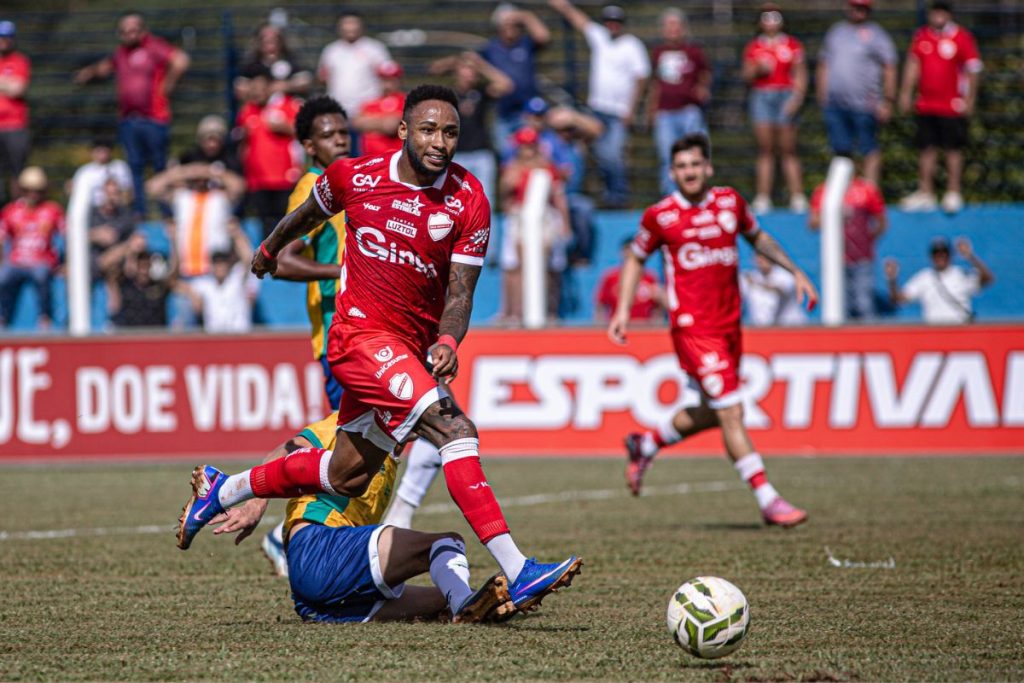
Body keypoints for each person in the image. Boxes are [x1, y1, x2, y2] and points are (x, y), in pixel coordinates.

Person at [177, 85, 582, 614]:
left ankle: (223, 490)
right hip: (358, 339)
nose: (441, 141)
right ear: (404, 132)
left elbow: (459, 295)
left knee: (348, 474)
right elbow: (304, 216)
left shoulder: (469, 199)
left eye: (451, 132)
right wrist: (270, 249)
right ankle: (518, 567)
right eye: (430, 130)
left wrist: (446, 338)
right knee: (453, 428)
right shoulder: (356, 177)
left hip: (408, 351)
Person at [608, 133, 817, 527]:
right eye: (681, 166)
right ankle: (768, 499)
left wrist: (795, 271)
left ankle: (646, 443)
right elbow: (636, 259)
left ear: (708, 168)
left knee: (715, 412)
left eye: (694, 164)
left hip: (729, 326)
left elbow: (759, 238)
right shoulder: (660, 216)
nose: (688, 172)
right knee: (733, 411)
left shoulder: (730, 203)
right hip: (693, 329)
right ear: (672, 173)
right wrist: (622, 310)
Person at [203, 412, 514, 623]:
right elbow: (286, 450)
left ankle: (466, 605)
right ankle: (465, 605)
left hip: (317, 599)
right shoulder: (350, 423)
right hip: (318, 547)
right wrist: (255, 502)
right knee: (447, 543)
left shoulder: (388, 454)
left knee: (444, 601)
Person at [256, 94, 352, 576]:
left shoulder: (352, 184)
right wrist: (347, 271)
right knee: (361, 445)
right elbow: (282, 260)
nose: (341, 139)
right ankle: (282, 531)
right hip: (340, 339)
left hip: (370, 334)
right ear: (309, 146)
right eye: (330, 134)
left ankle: (302, 533)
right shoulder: (311, 188)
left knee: (388, 442)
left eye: (344, 131)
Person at [74, 12, 190, 216]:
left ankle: (165, 214)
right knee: (134, 169)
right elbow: (105, 67)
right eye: (125, 30)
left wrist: (167, 86)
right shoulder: (120, 53)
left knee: (159, 166)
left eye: (134, 29)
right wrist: (88, 73)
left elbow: (181, 60)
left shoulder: (154, 46)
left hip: (154, 118)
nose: (129, 34)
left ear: (142, 30)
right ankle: (139, 214)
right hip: (129, 120)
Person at [548, 1, 650, 208]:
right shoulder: (600, 37)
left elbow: (641, 78)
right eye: (609, 21)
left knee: (612, 157)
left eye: (616, 21)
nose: (612, 25)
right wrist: (562, 6)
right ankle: (590, 197)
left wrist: (632, 109)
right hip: (596, 111)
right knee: (583, 153)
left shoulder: (632, 45)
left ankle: (617, 199)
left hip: (618, 113)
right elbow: (580, 20)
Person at [898, 0, 982, 214]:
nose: (938, 15)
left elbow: (973, 69)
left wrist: (970, 99)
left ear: (949, 14)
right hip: (926, 104)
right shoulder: (922, 36)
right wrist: (906, 93)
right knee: (926, 148)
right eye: (935, 11)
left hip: (952, 105)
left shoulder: (962, 37)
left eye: (942, 11)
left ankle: (953, 192)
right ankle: (926, 192)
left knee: (953, 149)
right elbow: (913, 65)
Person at [816, 0, 897, 186]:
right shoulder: (836, 32)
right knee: (841, 151)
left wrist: (888, 99)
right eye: (855, 7)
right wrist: (822, 94)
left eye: (862, 8)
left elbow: (889, 67)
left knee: (868, 149)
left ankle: (869, 194)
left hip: (865, 104)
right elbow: (824, 64)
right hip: (835, 104)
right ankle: (845, 194)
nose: (858, 12)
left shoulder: (877, 34)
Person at [497, 126, 572, 324]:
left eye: (530, 146)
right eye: (524, 146)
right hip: (519, 217)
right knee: (513, 267)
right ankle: (514, 312)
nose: (527, 151)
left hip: (544, 218)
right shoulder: (512, 168)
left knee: (548, 266)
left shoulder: (547, 168)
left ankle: (549, 311)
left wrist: (565, 223)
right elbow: (505, 197)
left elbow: (558, 197)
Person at [742, 4, 808, 214]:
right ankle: (763, 197)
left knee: (789, 148)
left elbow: (801, 74)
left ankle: (797, 196)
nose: (770, 21)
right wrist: (757, 69)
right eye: (766, 17)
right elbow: (746, 75)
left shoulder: (792, 45)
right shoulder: (754, 47)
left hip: (785, 95)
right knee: (765, 149)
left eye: (775, 16)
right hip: (762, 95)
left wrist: (797, 98)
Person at [429, 51, 514, 211]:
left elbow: (506, 85)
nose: (469, 74)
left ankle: (489, 237)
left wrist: (481, 65)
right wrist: (457, 60)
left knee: (483, 201)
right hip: (456, 154)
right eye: (465, 70)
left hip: (482, 154)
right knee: (453, 202)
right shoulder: (447, 94)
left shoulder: (481, 92)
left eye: (472, 71)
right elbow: (433, 70)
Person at [648, 8, 711, 197]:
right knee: (667, 157)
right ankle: (672, 198)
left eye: (676, 25)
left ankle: (698, 196)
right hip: (665, 113)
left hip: (689, 111)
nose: (673, 29)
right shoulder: (658, 53)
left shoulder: (694, 51)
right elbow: (655, 83)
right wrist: (652, 109)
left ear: (683, 28)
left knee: (696, 154)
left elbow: (705, 73)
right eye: (669, 26)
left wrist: (703, 88)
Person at [235, 63, 302, 240]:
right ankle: (268, 264)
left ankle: (286, 262)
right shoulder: (247, 111)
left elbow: (304, 131)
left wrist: (285, 127)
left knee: (286, 222)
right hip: (258, 180)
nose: (257, 92)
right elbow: (244, 145)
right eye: (253, 88)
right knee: (264, 224)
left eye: (261, 87)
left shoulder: (287, 106)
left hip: (284, 178)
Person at [808, 170, 886, 320]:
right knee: (839, 307)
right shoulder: (824, 190)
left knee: (864, 304)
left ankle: (869, 342)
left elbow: (881, 221)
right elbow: (813, 223)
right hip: (835, 261)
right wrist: (833, 217)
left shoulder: (866, 189)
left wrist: (866, 240)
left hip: (862, 259)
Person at [318, 10, 392, 155]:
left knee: (367, 155)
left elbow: (388, 76)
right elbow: (323, 76)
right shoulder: (331, 51)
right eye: (346, 24)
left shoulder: (374, 49)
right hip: (339, 111)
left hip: (368, 113)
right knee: (341, 154)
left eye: (353, 23)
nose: (350, 27)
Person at [478, 4, 551, 151]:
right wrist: (491, 85)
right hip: (503, 114)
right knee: (508, 156)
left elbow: (544, 36)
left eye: (514, 24)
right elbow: (475, 67)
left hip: (528, 114)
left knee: (532, 152)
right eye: (506, 24)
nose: (510, 28)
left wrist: (524, 15)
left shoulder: (525, 44)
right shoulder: (490, 49)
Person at [0, 167, 64, 329]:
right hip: (16, 261)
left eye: (37, 190)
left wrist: (64, 262)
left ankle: (45, 318)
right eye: (28, 190)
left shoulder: (52, 210)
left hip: (42, 261)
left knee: (41, 275)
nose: (33, 194)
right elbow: (1, 238)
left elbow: (68, 235)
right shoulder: (10, 211)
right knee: (3, 277)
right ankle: (3, 317)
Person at [885, 236, 993, 324]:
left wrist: (970, 256)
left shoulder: (960, 273)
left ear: (950, 255)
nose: (940, 257)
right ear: (931, 256)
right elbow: (899, 299)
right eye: (936, 253)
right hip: (934, 332)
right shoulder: (925, 277)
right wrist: (892, 279)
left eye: (944, 253)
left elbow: (988, 279)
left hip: (960, 329)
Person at [176, 222, 257, 333]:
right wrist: (191, 294)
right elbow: (175, 284)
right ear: (212, 266)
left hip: (239, 335)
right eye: (217, 263)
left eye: (223, 263)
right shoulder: (205, 284)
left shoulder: (237, 278)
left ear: (228, 264)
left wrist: (237, 235)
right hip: (215, 339)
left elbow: (248, 259)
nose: (220, 267)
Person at [98, 229, 175, 329]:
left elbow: (173, 273)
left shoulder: (158, 286)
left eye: (146, 265)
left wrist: (174, 242)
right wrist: (130, 248)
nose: (143, 269)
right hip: (128, 336)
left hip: (154, 336)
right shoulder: (124, 285)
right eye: (140, 265)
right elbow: (104, 264)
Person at [234, 22, 312, 102]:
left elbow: (305, 81)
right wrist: (258, 88)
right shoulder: (252, 65)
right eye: (266, 41)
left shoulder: (291, 61)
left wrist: (287, 85)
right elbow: (240, 88)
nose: (270, 45)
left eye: (274, 40)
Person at [595, 238, 665, 323]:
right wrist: (599, 326)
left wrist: (656, 325)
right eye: (627, 250)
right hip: (619, 325)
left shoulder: (650, 278)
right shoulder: (610, 277)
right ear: (622, 252)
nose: (629, 255)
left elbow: (657, 309)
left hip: (644, 328)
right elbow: (600, 305)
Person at [0, 20, 30, 205]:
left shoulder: (20, 61)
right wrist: (6, 83)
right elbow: (11, 86)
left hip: (15, 126)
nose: (3, 41)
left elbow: (18, 89)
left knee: (17, 173)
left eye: (7, 37)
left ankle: (17, 211)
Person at [352, 61, 405, 157]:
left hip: (394, 158)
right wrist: (382, 122)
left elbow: (391, 126)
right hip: (369, 159)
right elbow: (357, 123)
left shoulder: (405, 101)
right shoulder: (370, 103)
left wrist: (369, 122)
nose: (387, 84)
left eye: (391, 80)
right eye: (384, 79)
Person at [88, 177, 136, 282]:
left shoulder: (125, 216)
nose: (111, 197)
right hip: (93, 263)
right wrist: (96, 235)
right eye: (108, 193)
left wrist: (129, 256)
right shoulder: (90, 214)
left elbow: (135, 240)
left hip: (119, 266)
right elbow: (74, 237)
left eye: (115, 194)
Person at [741, 253, 807, 327]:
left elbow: (779, 290)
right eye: (759, 256)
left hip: (792, 326)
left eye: (766, 256)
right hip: (763, 329)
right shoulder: (750, 276)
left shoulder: (785, 274)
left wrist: (756, 283)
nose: (762, 260)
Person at [67, 138, 133, 210]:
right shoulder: (84, 171)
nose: (102, 154)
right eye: (98, 151)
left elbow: (128, 190)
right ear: (92, 153)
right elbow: (73, 191)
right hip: (92, 210)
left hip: (117, 209)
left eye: (105, 150)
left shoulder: (120, 166)